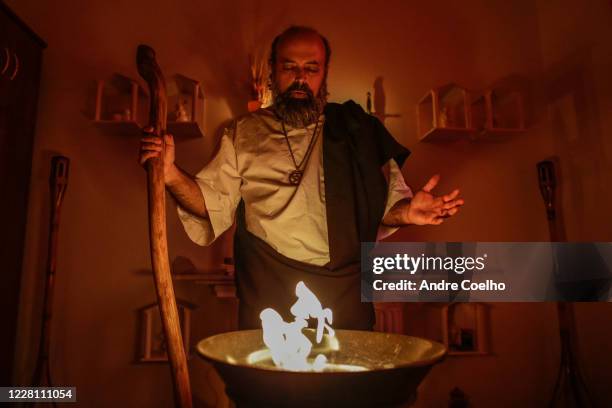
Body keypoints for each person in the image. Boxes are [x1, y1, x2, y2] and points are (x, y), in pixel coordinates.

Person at [139, 26, 464, 330]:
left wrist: (407, 212)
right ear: (272, 71)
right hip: (268, 294)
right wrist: (169, 173)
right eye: (289, 67)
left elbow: (386, 208)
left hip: (343, 296)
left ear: (324, 74)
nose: (300, 78)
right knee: (267, 390)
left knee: (344, 389)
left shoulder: (358, 129)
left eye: (311, 68)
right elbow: (210, 205)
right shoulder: (243, 132)